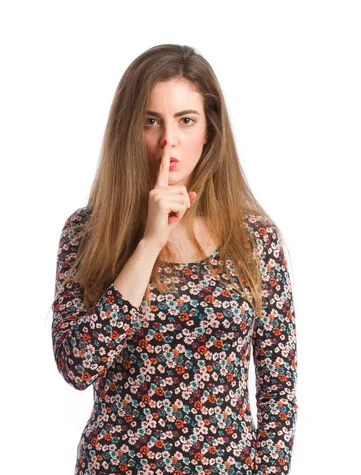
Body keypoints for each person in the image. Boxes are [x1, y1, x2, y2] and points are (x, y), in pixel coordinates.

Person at [51, 44, 298, 475]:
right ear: (128, 129)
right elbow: (78, 365)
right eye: (151, 121)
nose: (169, 140)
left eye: (186, 120)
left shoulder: (254, 240)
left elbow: (278, 392)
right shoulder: (87, 232)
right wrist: (148, 243)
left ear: (209, 130)